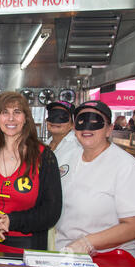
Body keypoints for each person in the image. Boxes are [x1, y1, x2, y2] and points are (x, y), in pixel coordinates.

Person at [0, 91, 62, 254]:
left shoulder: (44, 156)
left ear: (26, 118)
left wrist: (11, 221)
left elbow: (51, 211)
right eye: (4, 112)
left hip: (27, 246)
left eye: (17, 112)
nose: (11, 118)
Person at [55, 100, 135, 261]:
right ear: (74, 128)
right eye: (81, 122)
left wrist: (87, 242)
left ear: (109, 129)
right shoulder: (65, 158)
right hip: (64, 254)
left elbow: (133, 226)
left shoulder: (126, 167)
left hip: (110, 259)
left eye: (96, 122)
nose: (87, 128)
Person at [44, 100, 82, 250]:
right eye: (52, 116)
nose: (55, 120)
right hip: (50, 218)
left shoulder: (78, 147)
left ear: (72, 123)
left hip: (69, 223)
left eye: (62, 117)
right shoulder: (46, 145)